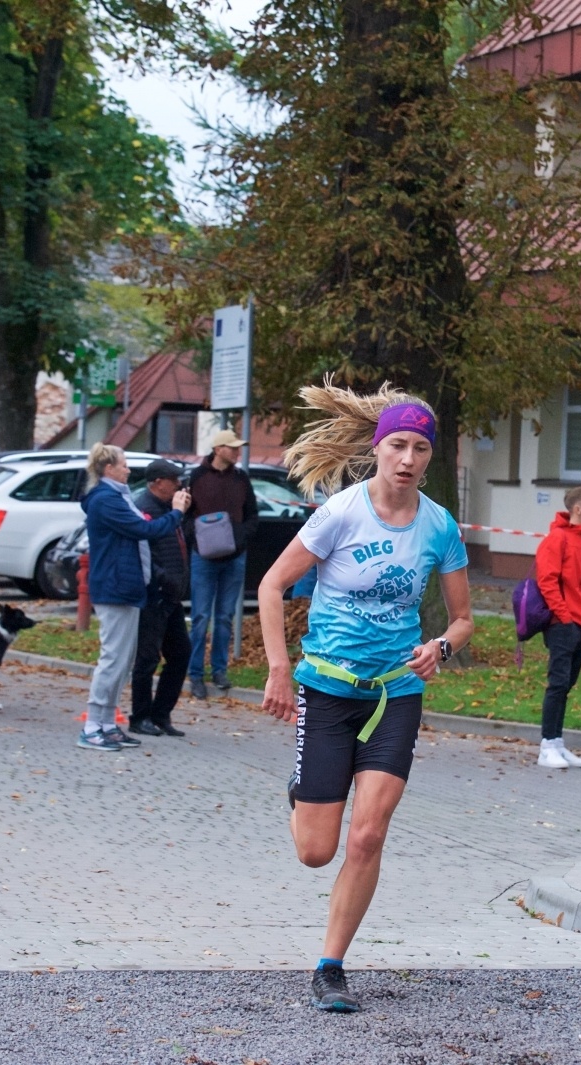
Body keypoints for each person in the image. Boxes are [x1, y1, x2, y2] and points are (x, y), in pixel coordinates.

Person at [259, 381, 474, 1014]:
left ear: (430, 457)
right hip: (326, 690)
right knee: (315, 851)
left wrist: (440, 647)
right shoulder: (340, 514)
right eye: (398, 445)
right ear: (378, 449)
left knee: (368, 836)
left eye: (420, 449)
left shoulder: (440, 525)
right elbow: (273, 587)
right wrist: (277, 669)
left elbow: (462, 620)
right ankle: (305, 789)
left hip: (394, 695)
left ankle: (331, 966)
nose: (408, 459)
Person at [78, 444, 189, 751]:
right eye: (124, 464)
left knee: (123, 660)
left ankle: (108, 724)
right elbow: (143, 529)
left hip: (127, 587)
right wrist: (178, 512)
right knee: (112, 659)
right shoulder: (105, 499)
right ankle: (92, 727)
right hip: (114, 586)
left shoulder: (118, 496)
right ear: (108, 469)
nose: (128, 469)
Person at [183, 428, 259, 699]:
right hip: (203, 557)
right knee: (201, 617)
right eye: (232, 447)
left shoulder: (241, 478)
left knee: (225, 617)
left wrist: (239, 539)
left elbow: (252, 515)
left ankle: (219, 670)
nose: (237, 452)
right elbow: (185, 514)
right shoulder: (196, 477)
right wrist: (198, 538)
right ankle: (194, 674)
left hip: (234, 557)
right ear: (218, 450)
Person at [534, 484, 581, 769]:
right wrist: (564, 617)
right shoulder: (556, 539)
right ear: (578, 509)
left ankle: (558, 742)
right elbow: (547, 581)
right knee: (558, 683)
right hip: (563, 624)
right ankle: (547, 744)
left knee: (567, 684)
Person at [129, 459, 194, 738]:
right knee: (147, 658)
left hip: (171, 596)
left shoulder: (172, 509)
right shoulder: (145, 509)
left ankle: (161, 713)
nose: (179, 484)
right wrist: (163, 579)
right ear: (157, 483)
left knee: (180, 654)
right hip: (154, 595)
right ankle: (139, 716)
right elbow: (145, 552)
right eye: (173, 479)